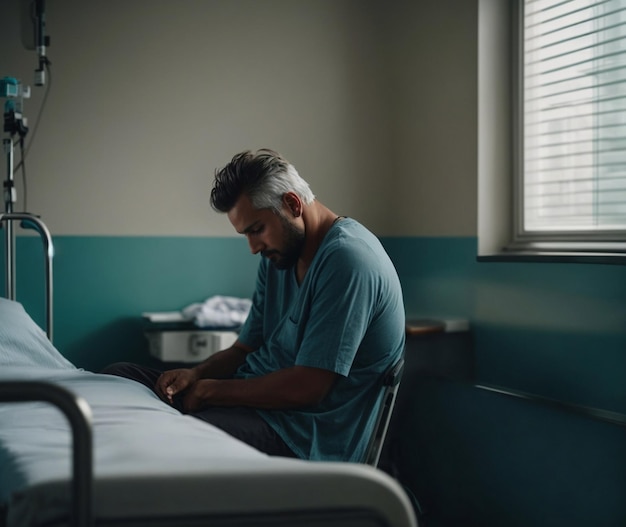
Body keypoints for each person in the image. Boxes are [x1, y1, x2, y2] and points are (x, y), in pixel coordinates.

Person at [102, 149, 405, 462]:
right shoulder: (279, 256)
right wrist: (196, 375)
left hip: (303, 433)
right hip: (254, 405)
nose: (253, 247)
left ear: (292, 204)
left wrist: (211, 391)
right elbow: (244, 350)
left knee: (171, 438)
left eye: (256, 229)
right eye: (245, 234)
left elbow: (308, 387)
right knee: (119, 377)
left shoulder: (348, 261)